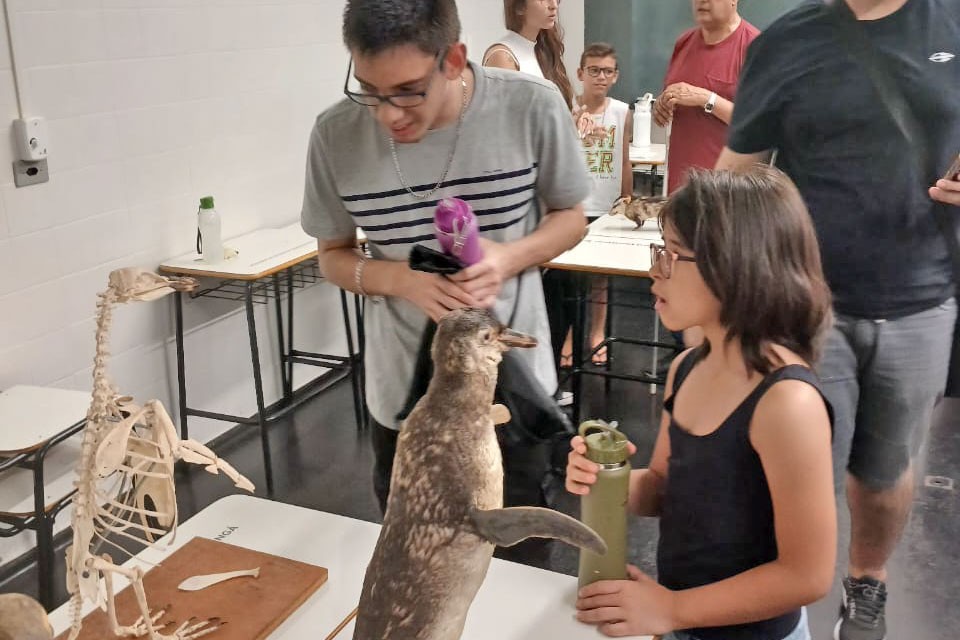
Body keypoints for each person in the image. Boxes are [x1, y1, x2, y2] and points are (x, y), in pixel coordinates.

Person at [716, 1, 960, 638]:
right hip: (805, 307)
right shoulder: (787, 42)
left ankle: (867, 581)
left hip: (921, 299)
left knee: (885, 471)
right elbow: (734, 176)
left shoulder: (952, 23)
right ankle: (777, 608)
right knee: (798, 470)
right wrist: (699, 281)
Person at [300, 0, 589, 521]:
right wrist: (402, 280)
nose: (388, 114)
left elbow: (571, 218)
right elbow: (332, 256)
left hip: (511, 392)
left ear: (453, 60)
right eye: (369, 90)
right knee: (414, 553)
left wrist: (508, 258)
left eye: (409, 91)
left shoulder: (531, 106)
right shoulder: (334, 135)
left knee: (518, 553)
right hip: (405, 402)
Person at [568, 166, 837, 640]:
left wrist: (673, 608)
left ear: (734, 267)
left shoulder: (788, 403)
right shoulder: (687, 368)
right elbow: (662, 487)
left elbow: (807, 575)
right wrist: (606, 480)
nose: (655, 270)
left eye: (672, 255)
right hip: (686, 622)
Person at [554, 43, 634, 368]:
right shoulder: (567, 108)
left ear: (615, 76)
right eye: (594, 70)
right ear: (581, 73)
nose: (601, 77)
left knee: (601, 277)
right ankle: (570, 335)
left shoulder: (622, 112)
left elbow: (624, 159)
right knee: (571, 275)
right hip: (574, 203)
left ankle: (597, 333)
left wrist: (627, 199)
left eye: (607, 71)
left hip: (607, 203)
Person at [655, 0, 759, 194]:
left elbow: (758, 124)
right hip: (681, 188)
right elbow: (676, 98)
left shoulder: (754, 46)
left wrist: (707, 99)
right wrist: (662, 106)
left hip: (727, 192)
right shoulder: (684, 42)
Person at [482, 0, 574, 109]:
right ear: (519, 7)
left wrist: (575, 119)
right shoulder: (502, 57)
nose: (554, 5)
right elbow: (501, 116)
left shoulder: (544, 50)